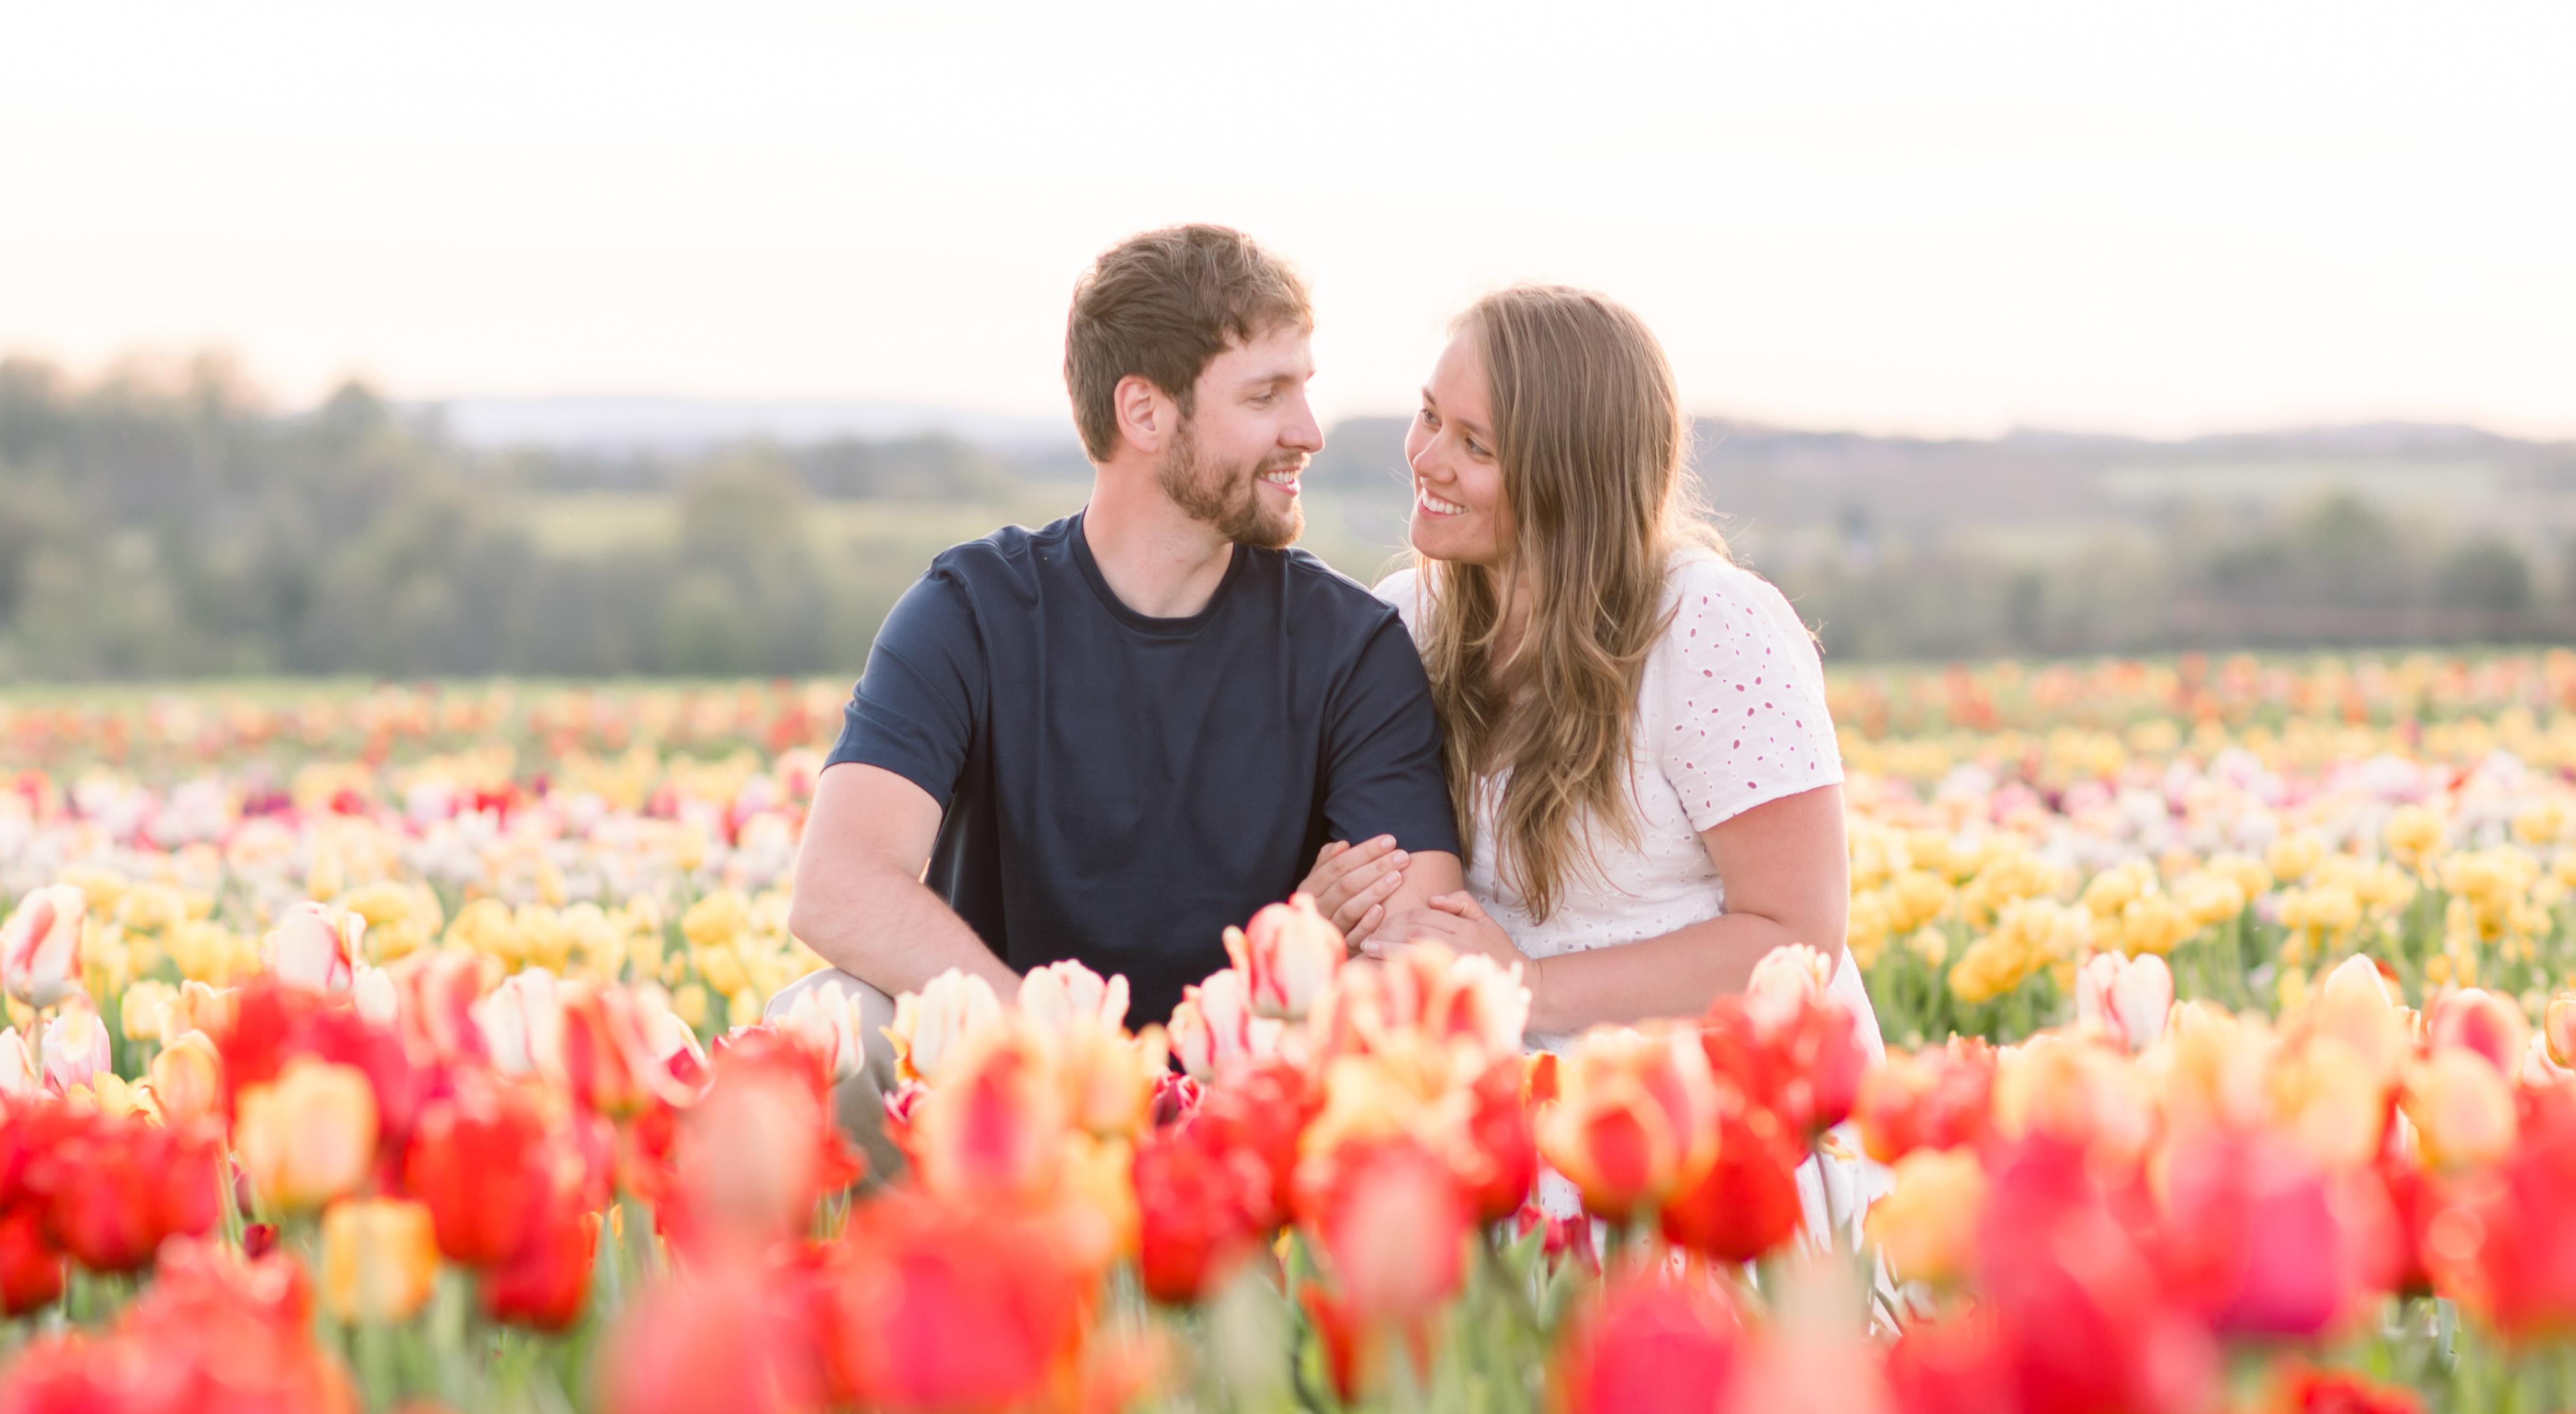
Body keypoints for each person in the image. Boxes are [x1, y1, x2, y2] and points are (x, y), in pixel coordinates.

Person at [780, 225, 1467, 1158]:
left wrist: (1264, 985)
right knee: (823, 1026)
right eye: (1266, 395)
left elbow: (1414, 934)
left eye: (1304, 389)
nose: (1306, 431)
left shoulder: (1352, 647)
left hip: (1255, 1092)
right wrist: (1066, 1047)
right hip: (1011, 1091)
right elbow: (837, 886)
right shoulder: (972, 611)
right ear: (1144, 414)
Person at [1310, 283, 1883, 1228]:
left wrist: (1532, 986)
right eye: (1427, 417)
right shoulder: (1408, 624)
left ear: (1568, 475)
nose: (1426, 458)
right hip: (1506, 1140)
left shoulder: (1708, 628)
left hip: (1706, 1136)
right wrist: (1328, 908)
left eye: (1475, 444)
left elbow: (1796, 937)